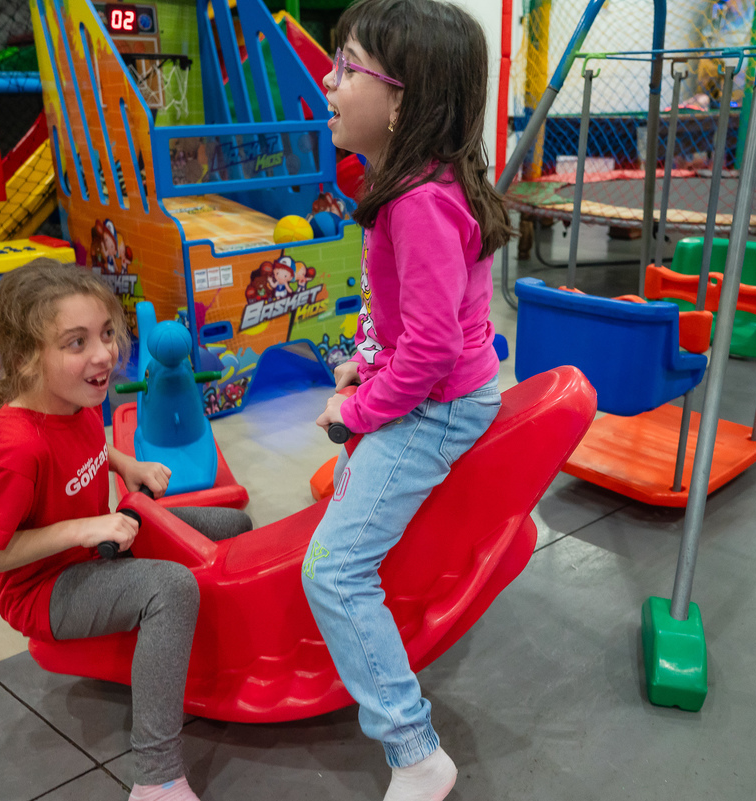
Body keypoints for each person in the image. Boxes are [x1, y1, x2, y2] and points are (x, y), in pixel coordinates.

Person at [303, 1, 511, 799]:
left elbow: (428, 351)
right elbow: (415, 323)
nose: (329, 78)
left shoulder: (417, 200)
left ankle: (415, 750)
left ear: (401, 98)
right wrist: (366, 365)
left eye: (347, 65)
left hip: (439, 405)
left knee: (332, 571)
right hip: (430, 388)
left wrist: (356, 411)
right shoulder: (417, 181)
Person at [0, 259, 250, 801]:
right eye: (76, 342)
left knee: (232, 524)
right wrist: (79, 529)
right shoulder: (17, 447)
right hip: (46, 590)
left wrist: (123, 465)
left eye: (107, 334)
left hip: (97, 547)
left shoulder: (77, 397)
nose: (104, 354)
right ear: (24, 359)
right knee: (170, 586)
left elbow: (86, 445)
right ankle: (156, 779)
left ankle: (229, 646)